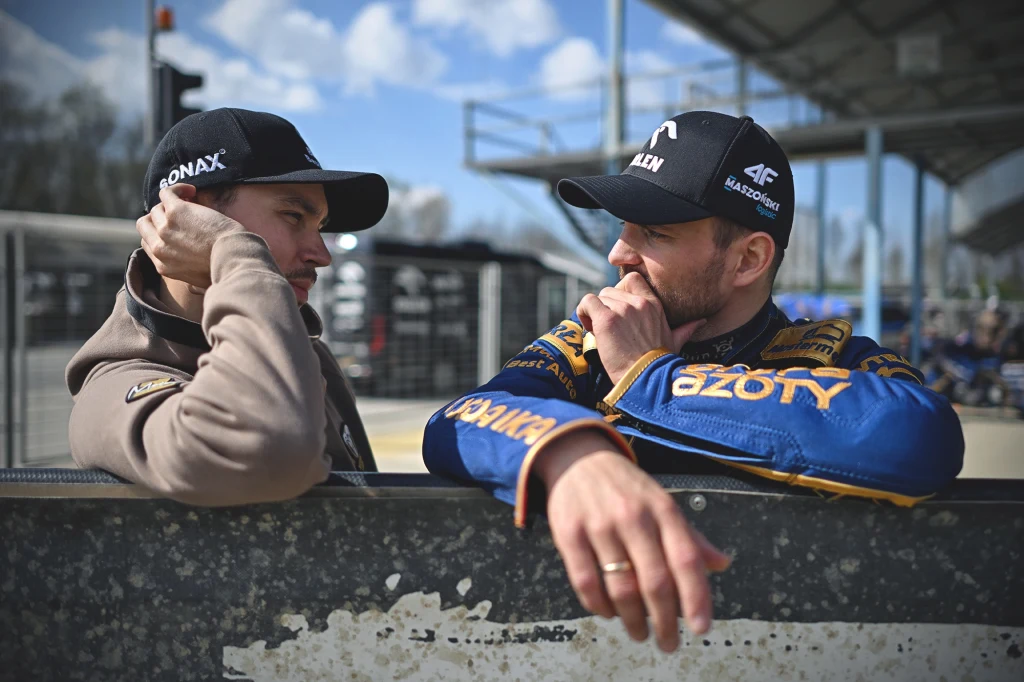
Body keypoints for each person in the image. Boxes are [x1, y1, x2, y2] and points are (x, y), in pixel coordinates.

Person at [422, 111, 965, 652]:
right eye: (623, 226)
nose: (617, 254)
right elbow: (455, 422)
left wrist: (650, 379)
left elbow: (917, 436)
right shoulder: (587, 343)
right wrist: (573, 453)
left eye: (654, 232)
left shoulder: (838, 358)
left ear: (749, 258)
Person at [66, 108, 389, 505]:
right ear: (188, 214)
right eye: (293, 216)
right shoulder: (113, 386)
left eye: (319, 227)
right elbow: (268, 450)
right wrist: (234, 252)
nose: (322, 255)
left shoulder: (308, 352)